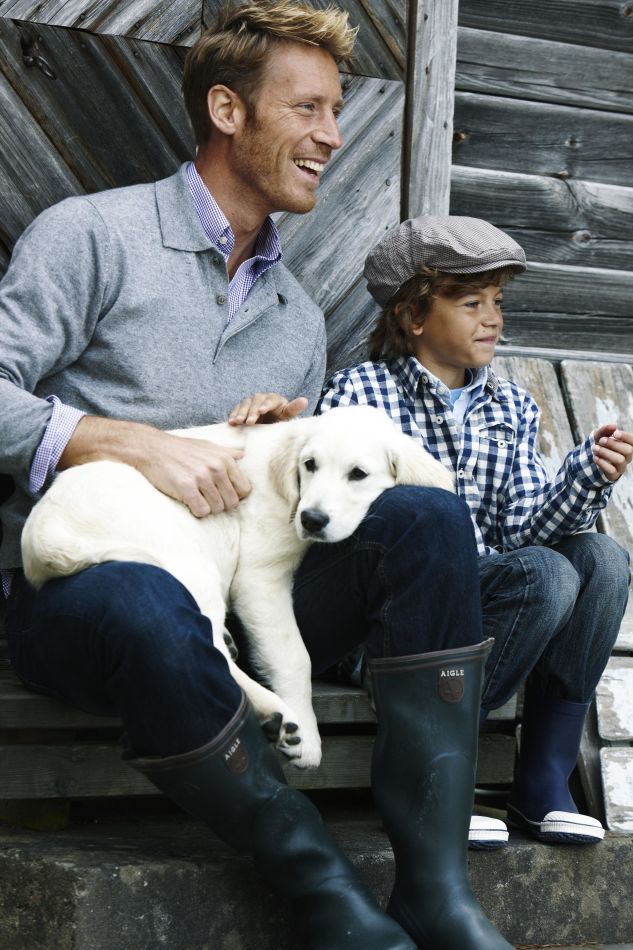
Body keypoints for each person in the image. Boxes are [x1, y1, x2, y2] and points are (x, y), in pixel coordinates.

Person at [0, 2, 513, 947]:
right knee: (144, 599)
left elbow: (299, 515)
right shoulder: (92, 236)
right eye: (307, 108)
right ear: (228, 111)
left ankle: (437, 894)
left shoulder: (295, 318)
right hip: (85, 597)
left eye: (337, 112)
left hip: (250, 595)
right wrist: (126, 442)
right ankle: (324, 891)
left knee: (425, 516)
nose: (333, 136)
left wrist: (290, 448)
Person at [317, 214, 632, 850]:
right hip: (394, 623)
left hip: (487, 604)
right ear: (414, 315)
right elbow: (339, 531)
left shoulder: (511, 407)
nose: (493, 319)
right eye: (471, 303)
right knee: (547, 573)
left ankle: (541, 778)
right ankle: (432, 768)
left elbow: (523, 529)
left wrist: (585, 474)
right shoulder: (360, 395)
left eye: (497, 302)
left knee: (602, 557)